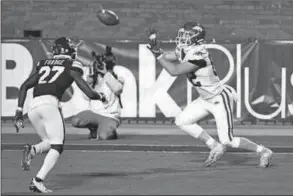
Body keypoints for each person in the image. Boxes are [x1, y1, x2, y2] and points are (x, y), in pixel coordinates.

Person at [145, 22, 273, 167]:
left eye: (186, 35)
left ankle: (263, 151)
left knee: (228, 140)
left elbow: (174, 70)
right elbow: (168, 56)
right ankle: (214, 145)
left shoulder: (199, 54)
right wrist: (156, 50)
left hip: (218, 99)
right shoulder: (185, 49)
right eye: (182, 34)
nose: (182, 38)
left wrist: (157, 54)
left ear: (196, 38)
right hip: (204, 99)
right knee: (181, 121)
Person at [13, 37, 106, 193]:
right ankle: (38, 180)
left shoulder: (43, 64)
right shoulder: (72, 65)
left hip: (33, 107)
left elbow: (24, 86)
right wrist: (101, 96)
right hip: (49, 104)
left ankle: (33, 150)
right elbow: (89, 93)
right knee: (58, 145)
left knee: (49, 142)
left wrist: (18, 112)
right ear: (68, 50)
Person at [71, 46, 124, 140]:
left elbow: (117, 89)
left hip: (110, 116)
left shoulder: (117, 78)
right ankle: (93, 128)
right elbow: (86, 97)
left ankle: (110, 131)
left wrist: (106, 73)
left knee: (104, 136)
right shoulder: (94, 79)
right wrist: (88, 84)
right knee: (76, 121)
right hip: (94, 113)